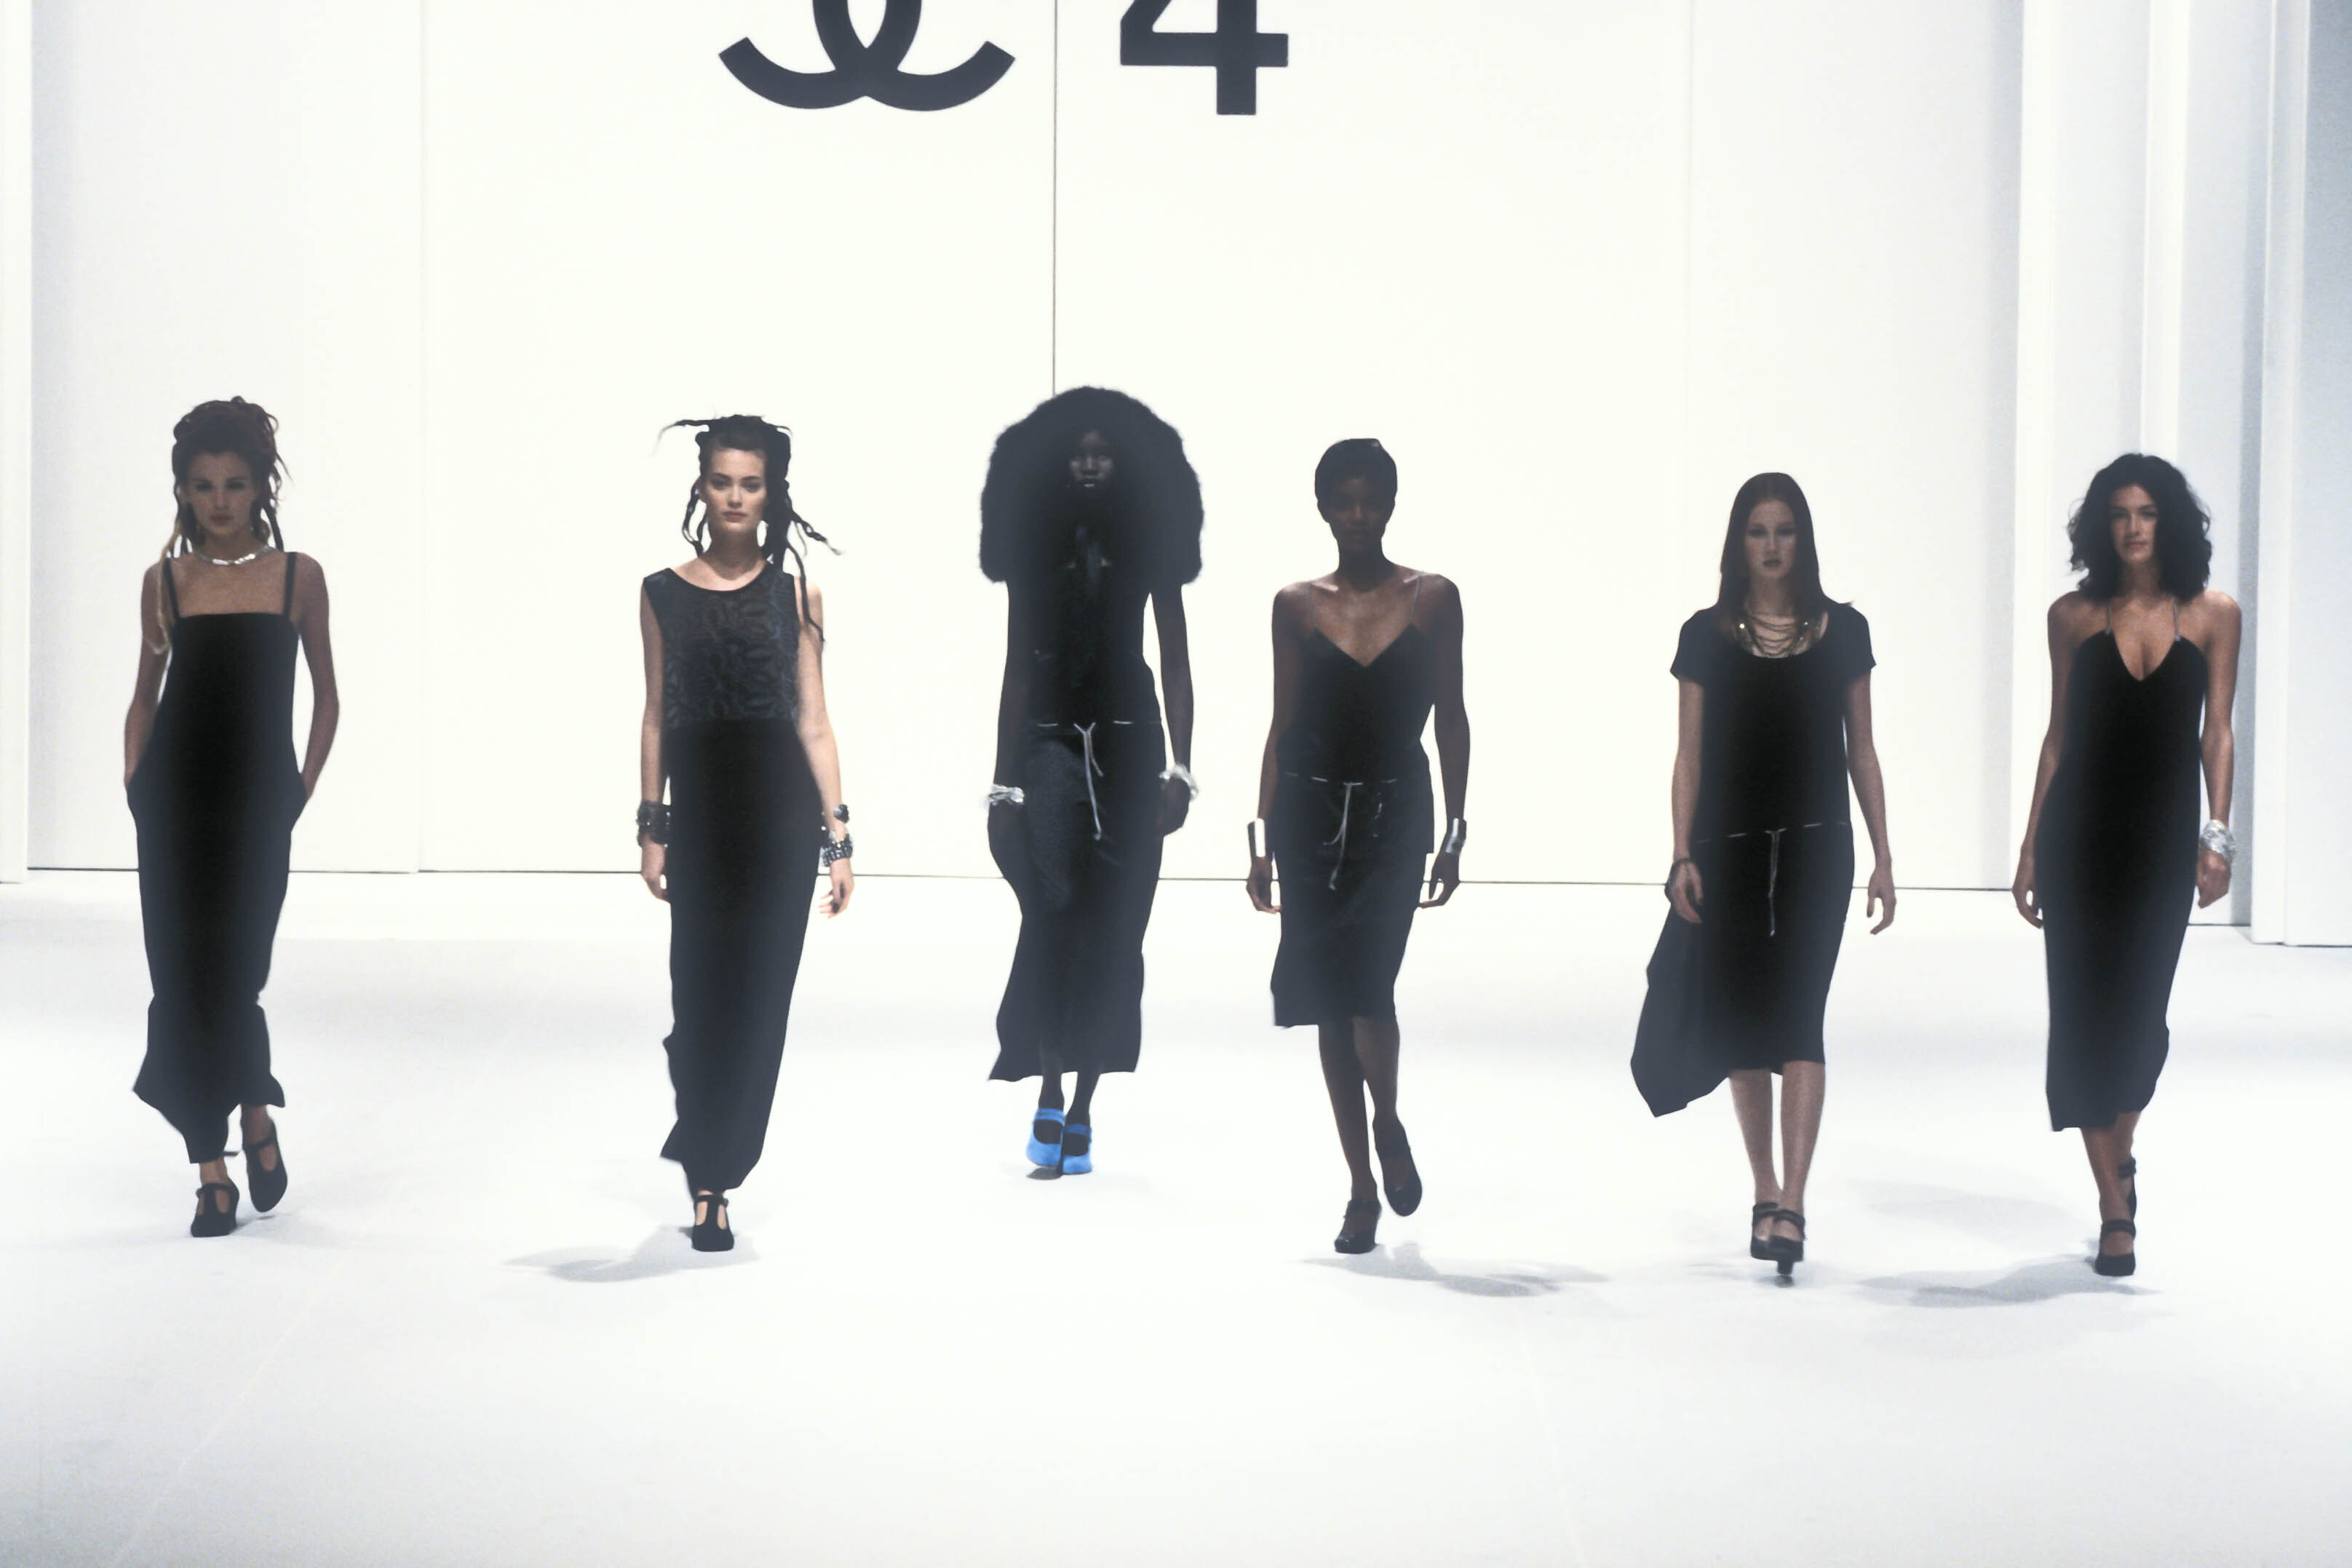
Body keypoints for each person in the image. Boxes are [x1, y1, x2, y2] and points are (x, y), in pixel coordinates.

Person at [2012, 453, 2239, 1278]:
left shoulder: (2213, 615)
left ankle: (2120, 1153)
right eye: (2119, 513)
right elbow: (2057, 738)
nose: (2133, 527)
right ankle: (2115, 1209)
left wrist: (2217, 837)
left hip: (2161, 843)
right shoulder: (2072, 617)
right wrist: (2031, 845)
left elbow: (2218, 732)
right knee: (2082, 1018)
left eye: (2146, 512)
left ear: (2168, 521)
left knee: (2141, 1021)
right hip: (2079, 839)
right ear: (2100, 528)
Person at [1666, 472, 1894, 1277]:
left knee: (1800, 1012)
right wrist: (1681, 852)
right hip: (1725, 848)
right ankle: (1763, 1186)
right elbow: (1688, 755)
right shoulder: (1704, 636)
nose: (1771, 546)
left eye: (1784, 530)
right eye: (1758, 531)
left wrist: (1884, 855)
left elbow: (1861, 749)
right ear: (1738, 542)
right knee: (1741, 1017)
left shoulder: (1843, 631)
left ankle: (1793, 1201)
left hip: (1817, 847)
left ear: (1804, 540)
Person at [1244, 439, 1467, 1254]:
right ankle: (1360, 1187)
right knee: (1328, 1004)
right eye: (1344, 500)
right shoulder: (1295, 606)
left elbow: (1452, 716)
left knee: (1370, 987)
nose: (1359, 514)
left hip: (1395, 816)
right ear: (1323, 508)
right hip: (1309, 819)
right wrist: (1260, 839)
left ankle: (1388, 1120)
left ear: (1391, 504)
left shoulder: (1432, 598)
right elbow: (1282, 724)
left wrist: (1456, 830)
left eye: (1371, 499)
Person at [637, 415, 854, 1251]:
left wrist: (838, 837)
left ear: (771, 493)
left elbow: (814, 721)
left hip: (779, 821)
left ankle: (714, 1181)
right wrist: (652, 824)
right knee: (697, 1000)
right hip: (701, 818)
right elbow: (657, 713)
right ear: (701, 487)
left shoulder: (795, 596)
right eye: (722, 481)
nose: (735, 496)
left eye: (750, 483)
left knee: (760, 1004)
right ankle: (706, 1139)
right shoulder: (661, 592)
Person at [123, 398, 338, 1237]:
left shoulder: (296, 577)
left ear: (260, 488)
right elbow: (144, 697)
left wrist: (298, 789)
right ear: (183, 490)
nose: (220, 501)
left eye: (235, 484)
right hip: (172, 804)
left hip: (256, 807)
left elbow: (328, 696)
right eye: (204, 485)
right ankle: (210, 1169)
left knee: (238, 972)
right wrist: (135, 783)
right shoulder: (166, 583)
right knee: (180, 980)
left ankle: (254, 1107)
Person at [981, 387, 1201, 1176]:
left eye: (1103, 453)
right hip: (1048, 740)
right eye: (1077, 453)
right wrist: (1002, 785)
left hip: (1133, 741)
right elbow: (1016, 665)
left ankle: (1082, 1106)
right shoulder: (1034, 555)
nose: (1088, 464)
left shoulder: (1150, 550)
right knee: (1053, 909)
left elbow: (1175, 656)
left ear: (1125, 464)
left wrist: (1181, 766)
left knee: (1117, 922)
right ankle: (1047, 1084)